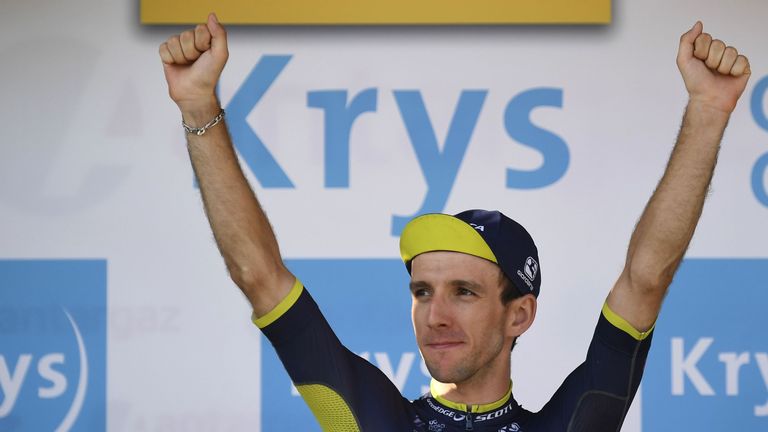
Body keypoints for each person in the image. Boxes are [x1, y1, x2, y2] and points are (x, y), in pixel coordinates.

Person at [159, 14, 751, 431]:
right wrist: (198, 106)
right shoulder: (376, 419)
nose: (434, 315)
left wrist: (707, 111)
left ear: (519, 313)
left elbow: (644, 280)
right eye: (422, 292)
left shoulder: (575, 422)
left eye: (464, 292)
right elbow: (256, 272)